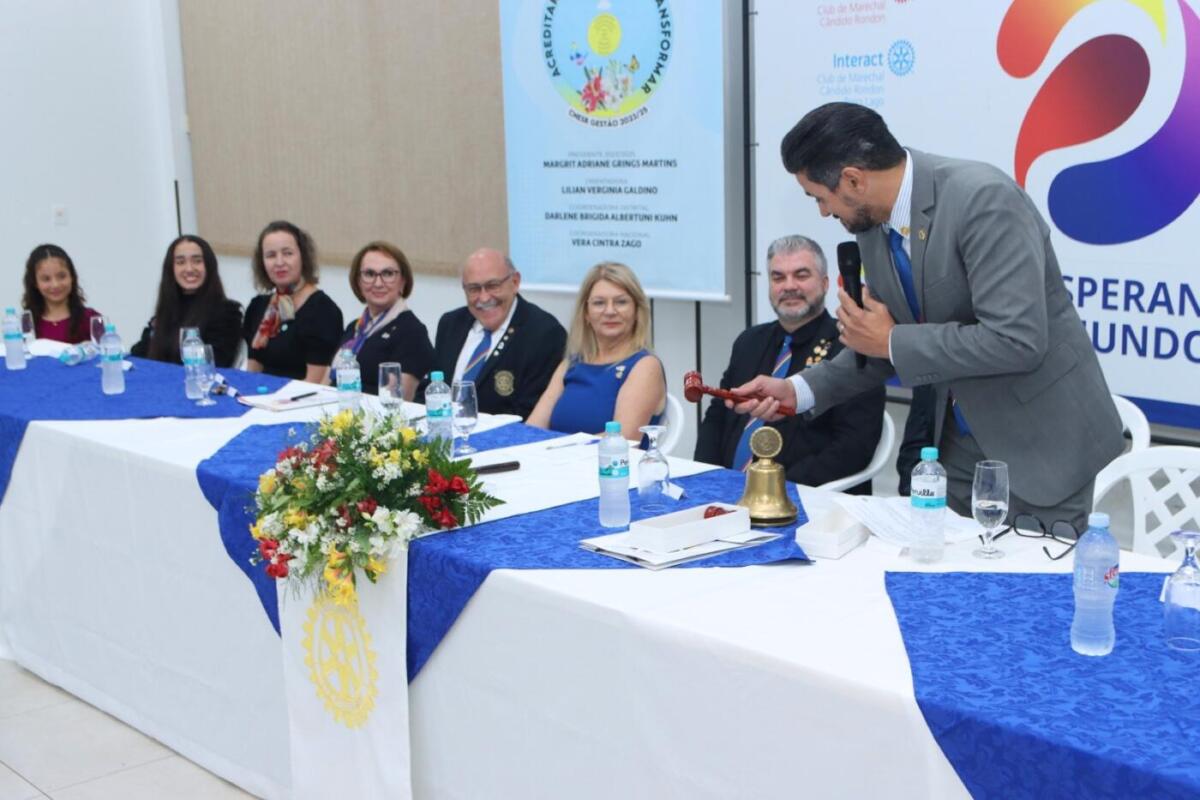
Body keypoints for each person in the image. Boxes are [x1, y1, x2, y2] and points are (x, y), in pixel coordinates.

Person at [734, 102, 1122, 530]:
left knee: (1031, 573)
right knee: (944, 567)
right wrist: (798, 390)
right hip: (956, 447)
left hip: (1042, 446)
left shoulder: (983, 199)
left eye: (820, 198)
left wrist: (891, 340)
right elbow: (881, 347)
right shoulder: (871, 225)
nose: (824, 213)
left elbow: (1017, 340)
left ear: (853, 180)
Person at [695, 236, 884, 491]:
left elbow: (853, 448)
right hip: (726, 491)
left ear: (825, 283)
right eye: (778, 277)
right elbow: (718, 416)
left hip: (805, 498)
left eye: (801, 275)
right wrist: (707, 479)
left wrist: (773, 491)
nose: (789, 286)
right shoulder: (749, 341)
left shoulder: (852, 346)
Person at [527, 262, 665, 441]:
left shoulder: (645, 366)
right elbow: (532, 428)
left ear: (637, 311)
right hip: (556, 457)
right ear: (586, 313)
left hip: (606, 460)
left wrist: (557, 449)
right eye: (599, 303)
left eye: (621, 302)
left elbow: (622, 439)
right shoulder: (570, 364)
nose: (610, 311)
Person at [426, 248, 566, 418]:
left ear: (515, 282)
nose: (484, 298)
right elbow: (430, 389)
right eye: (474, 289)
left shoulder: (544, 333)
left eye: (493, 286)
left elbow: (531, 413)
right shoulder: (450, 324)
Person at [242, 220, 344, 382]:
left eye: (288, 253)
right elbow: (252, 374)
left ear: (303, 257)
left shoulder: (323, 310)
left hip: (301, 395)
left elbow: (314, 384)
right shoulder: (258, 306)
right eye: (271, 255)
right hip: (261, 393)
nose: (279, 262)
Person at [338, 241, 434, 399]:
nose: (378, 283)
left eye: (388, 274)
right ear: (358, 282)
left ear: (403, 281)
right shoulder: (354, 328)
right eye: (369, 274)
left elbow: (397, 400)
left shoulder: (412, 332)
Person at [130, 235, 243, 367]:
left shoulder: (228, 312)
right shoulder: (167, 309)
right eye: (180, 262)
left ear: (209, 266)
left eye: (197, 261)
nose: (189, 269)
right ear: (171, 269)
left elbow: (215, 362)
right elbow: (138, 353)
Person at [21, 244, 102, 344]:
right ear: (35, 283)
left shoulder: (91, 319)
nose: (55, 285)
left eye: (62, 276)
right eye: (46, 279)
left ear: (72, 277)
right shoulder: (27, 323)